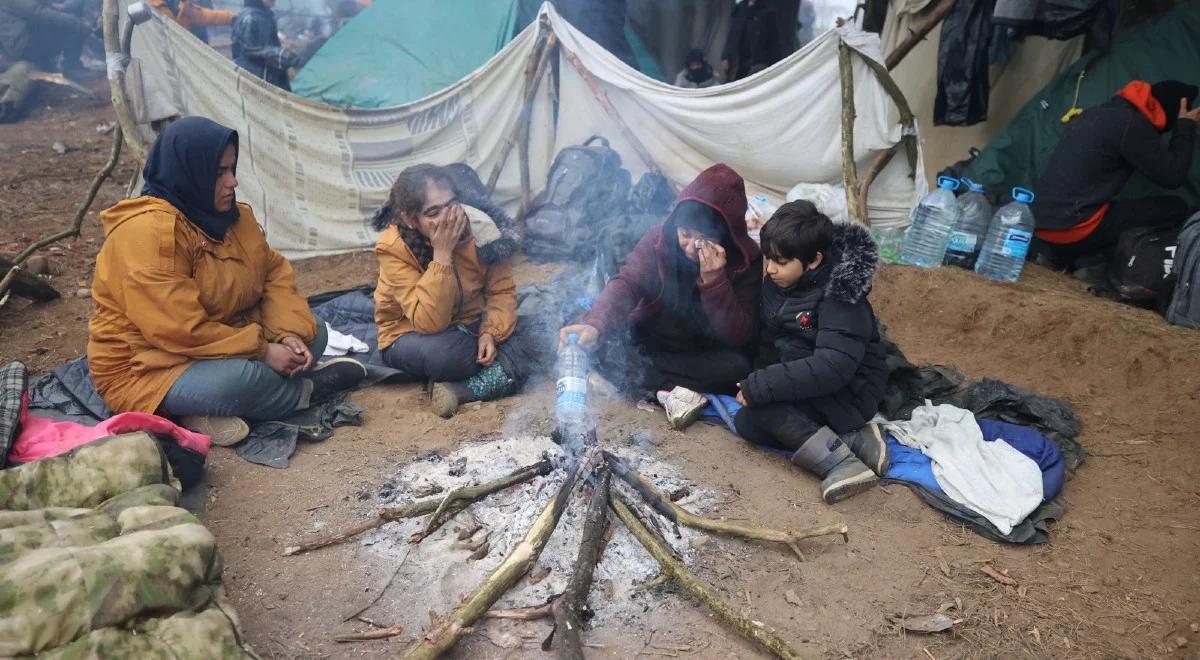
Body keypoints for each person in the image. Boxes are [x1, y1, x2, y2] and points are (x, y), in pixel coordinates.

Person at [88, 117, 367, 446]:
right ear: (188, 172)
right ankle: (306, 392)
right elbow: (179, 330)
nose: (233, 182)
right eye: (219, 172)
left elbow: (273, 274)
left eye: (232, 168)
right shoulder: (147, 233)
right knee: (242, 379)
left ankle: (203, 414)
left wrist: (286, 334)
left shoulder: (233, 217)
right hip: (150, 364)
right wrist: (263, 351)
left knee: (314, 332)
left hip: (224, 337)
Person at [560, 163, 762, 430]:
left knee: (737, 369)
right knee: (602, 343)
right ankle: (666, 389)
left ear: (724, 237)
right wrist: (595, 323)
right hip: (653, 338)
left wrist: (716, 282)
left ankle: (652, 384)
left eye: (702, 239)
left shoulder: (746, 260)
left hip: (703, 351)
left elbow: (738, 334)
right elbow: (628, 282)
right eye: (686, 235)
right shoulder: (659, 240)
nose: (690, 247)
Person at [733, 202, 889, 505]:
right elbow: (770, 340)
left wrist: (764, 386)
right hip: (808, 376)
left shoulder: (842, 295)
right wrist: (755, 380)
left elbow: (833, 367)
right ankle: (854, 438)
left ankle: (844, 464)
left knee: (761, 412)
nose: (770, 268)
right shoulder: (778, 282)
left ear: (814, 260)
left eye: (781, 261)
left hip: (851, 389)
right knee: (749, 420)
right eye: (768, 258)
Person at [373, 164, 546, 418]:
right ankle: (495, 373)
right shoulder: (393, 247)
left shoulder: (481, 228)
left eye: (451, 205)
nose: (448, 218)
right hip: (411, 334)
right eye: (433, 213)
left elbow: (501, 291)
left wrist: (491, 333)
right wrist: (442, 254)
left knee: (548, 330)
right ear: (410, 219)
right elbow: (429, 322)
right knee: (448, 357)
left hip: (472, 325)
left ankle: (463, 388)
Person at [1034, 80, 1199, 269]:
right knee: (1174, 208)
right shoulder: (1132, 124)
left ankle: (1058, 255)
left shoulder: (1097, 113)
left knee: (1113, 209)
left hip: (1041, 223)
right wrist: (1185, 126)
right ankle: (1096, 261)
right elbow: (1173, 175)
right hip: (1073, 229)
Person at [231, 0, 297, 90]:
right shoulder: (249, 17)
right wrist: (277, 53)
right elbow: (247, 48)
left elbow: (272, 42)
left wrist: (281, 55)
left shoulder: (268, 15)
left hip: (270, 71)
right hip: (253, 73)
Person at [721, 0, 784, 82]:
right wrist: (725, 57)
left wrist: (773, 66)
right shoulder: (740, 8)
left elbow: (774, 42)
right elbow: (732, 35)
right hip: (737, 61)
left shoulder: (768, 12)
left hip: (757, 62)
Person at [147, 0, 235, 33]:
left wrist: (231, 17)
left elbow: (201, 16)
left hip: (185, 54)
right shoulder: (147, 7)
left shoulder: (181, 4)